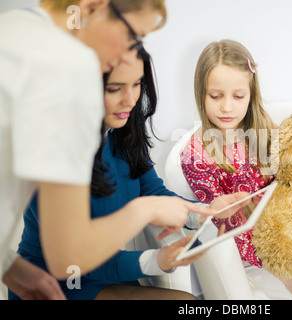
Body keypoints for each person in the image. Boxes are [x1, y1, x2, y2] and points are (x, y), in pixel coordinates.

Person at [0, 0, 212, 300]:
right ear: (93, 6)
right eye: (131, 37)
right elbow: (68, 256)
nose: (127, 54)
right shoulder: (59, 80)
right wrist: (146, 214)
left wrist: (10, 267)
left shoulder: (15, 32)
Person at [9, 48, 248, 300]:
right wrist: (155, 260)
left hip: (103, 276)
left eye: (136, 84)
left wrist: (206, 213)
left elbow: (153, 192)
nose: (131, 99)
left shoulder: (122, 135)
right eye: (115, 88)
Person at [180, 39, 292, 300]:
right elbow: (233, 228)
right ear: (200, 92)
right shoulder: (196, 157)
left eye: (238, 96)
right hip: (261, 251)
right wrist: (286, 275)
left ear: (251, 93)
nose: (227, 107)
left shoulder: (266, 130)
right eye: (215, 96)